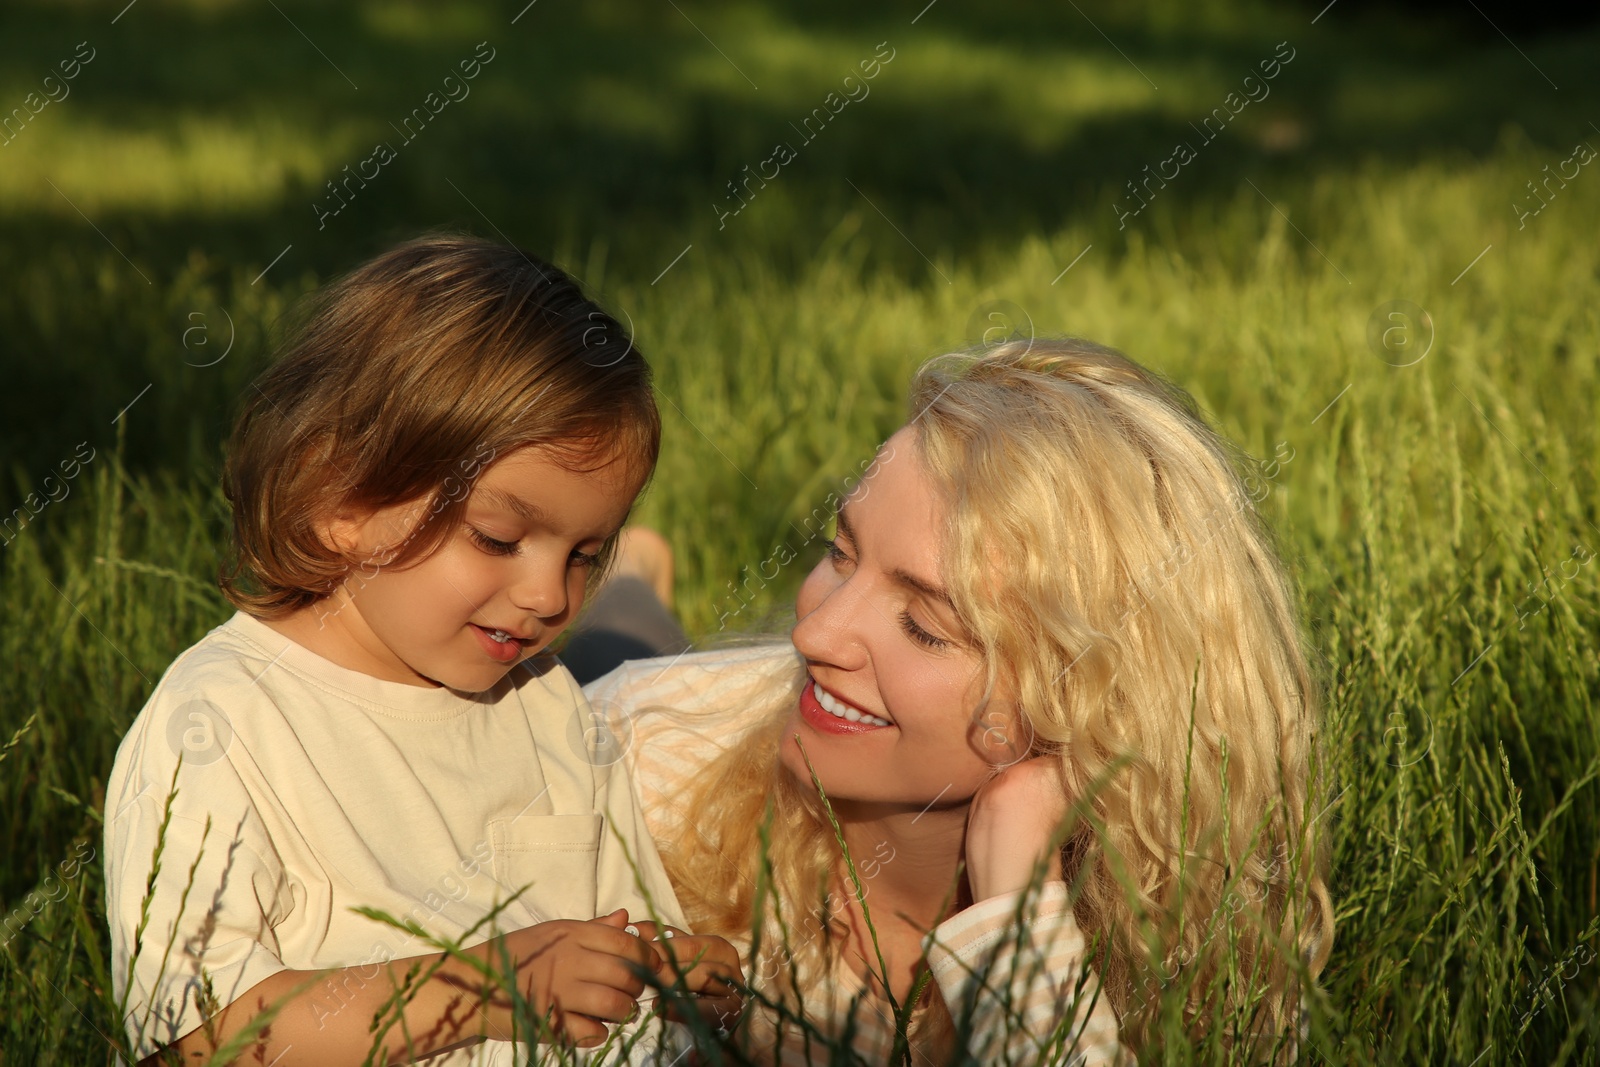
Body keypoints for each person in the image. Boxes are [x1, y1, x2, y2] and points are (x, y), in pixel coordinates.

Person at [583, 338, 1335, 1064]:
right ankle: (634, 579)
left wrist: (1016, 911)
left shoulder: (1196, 926)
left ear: (1085, 702)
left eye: (923, 625)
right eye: (840, 554)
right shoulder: (633, 756)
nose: (814, 631)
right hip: (649, 682)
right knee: (618, 636)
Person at [103, 235, 740, 1067]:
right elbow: (194, 1035)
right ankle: (640, 589)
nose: (549, 595)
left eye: (586, 555)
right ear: (340, 497)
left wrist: (658, 972)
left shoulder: (542, 706)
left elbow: (612, 934)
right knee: (630, 643)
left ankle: (638, 586)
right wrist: (481, 988)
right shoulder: (222, 723)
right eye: (498, 536)